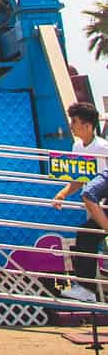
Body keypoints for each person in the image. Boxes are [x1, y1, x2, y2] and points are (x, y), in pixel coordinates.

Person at [54, 101, 108, 302]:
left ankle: (87, 289)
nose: (71, 125)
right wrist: (62, 194)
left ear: (87, 125)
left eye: (75, 121)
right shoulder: (77, 146)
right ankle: (86, 289)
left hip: (103, 200)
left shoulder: (103, 148)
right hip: (97, 204)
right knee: (86, 236)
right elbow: (79, 177)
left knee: (88, 236)